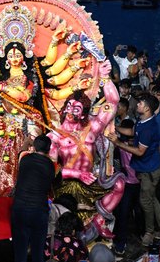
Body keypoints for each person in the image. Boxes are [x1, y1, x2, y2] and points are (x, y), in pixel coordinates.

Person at [0, 16, 90, 195]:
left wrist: (1, 88)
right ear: (6, 58)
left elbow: (25, 95)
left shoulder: (29, 76)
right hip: (2, 120)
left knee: (29, 148)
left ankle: (25, 189)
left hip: (26, 119)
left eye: (18, 54)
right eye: (11, 55)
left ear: (23, 57)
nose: (15, 58)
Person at [48, 59, 124, 240]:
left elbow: (113, 102)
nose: (70, 110)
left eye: (76, 108)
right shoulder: (55, 135)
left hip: (90, 180)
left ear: (83, 113)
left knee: (120, 184)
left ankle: (100, 218)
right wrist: (76, 174)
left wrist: (105, 77)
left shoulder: (92, 127)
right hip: (67, 183)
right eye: (69, 106)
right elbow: (52, 169)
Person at [112, 92, 160, 246]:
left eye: (140, 103)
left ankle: (149, 232)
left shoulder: (148, 128)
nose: (136, 104)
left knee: (145, 202)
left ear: (147, 109)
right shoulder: (141, 121)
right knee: (151, 198)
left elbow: (139, 151)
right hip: (146, 167)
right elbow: (132, 132)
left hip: (149, 170)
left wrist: (118, 143)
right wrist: (116, 128)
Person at [11, 135, 56, 262]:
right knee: (37, 253)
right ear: (49, 150)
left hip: (20, 209)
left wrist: (26, 143)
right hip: (39, 211)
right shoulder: (50, 166)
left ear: (34, 147)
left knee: (20, 253)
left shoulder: (25, 160)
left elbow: (20, 152)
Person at [106, 119, 142, 256]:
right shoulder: (120, 146)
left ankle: (141, 234)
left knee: (138, 211)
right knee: (123, 214)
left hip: (138, 184)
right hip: (127, 184)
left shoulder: (138, 147)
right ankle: (120, 243)